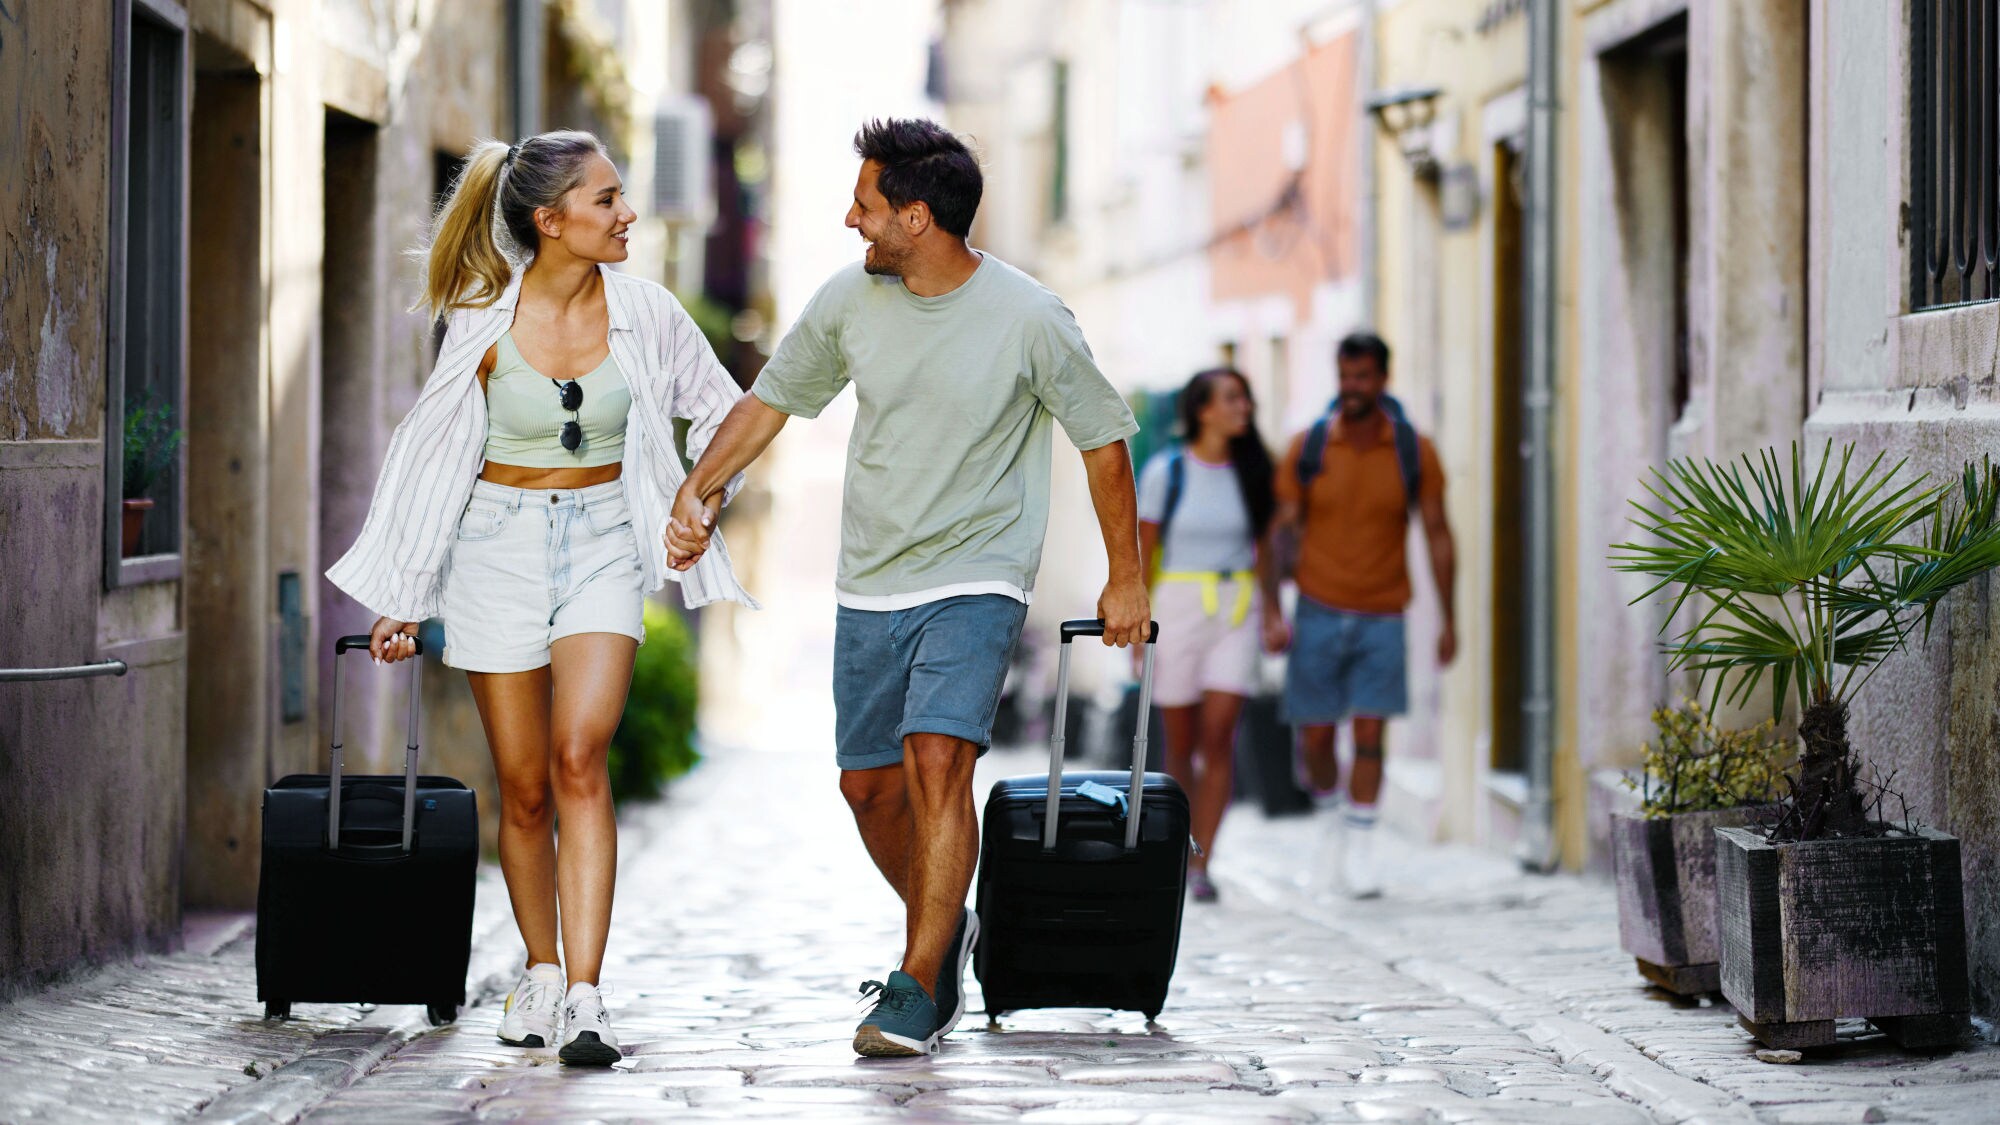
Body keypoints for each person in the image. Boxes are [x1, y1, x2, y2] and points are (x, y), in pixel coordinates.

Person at [663, 118, 1149, 1058]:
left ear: (917, 218)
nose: (852, 220)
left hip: (979, 572)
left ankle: (920, 980)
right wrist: (701, 487)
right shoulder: (851, 301)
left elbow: (1102, 439)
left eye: (868, 205)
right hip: (872, 577)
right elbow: (771, 399)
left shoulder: (1031, 316)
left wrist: (1127, 577)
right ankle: (950, 926)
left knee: (938, 760)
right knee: (867, 787)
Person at [325, 130, 754, 1066]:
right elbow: (433, 458)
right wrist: (402, 593)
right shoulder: (481, 320)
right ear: (549, 220)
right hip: (493, 548)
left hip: (603, 537)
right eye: (606, 200)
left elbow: (727, 411)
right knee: (521, 791)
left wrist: (700, 497)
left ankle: (590, 999)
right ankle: (542, 970)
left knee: (578, 754)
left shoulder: (647, 312)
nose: (627, 212)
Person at [1272, 332, 1455, 899]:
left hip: (1384, 612)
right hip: (1318, 607)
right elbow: (1279, 532)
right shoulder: (1308, 447)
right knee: (1317, 741)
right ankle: (1331, 821)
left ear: (1383, 379)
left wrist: (1450, 618)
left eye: (1363, 377)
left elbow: (1438, 533)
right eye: (1346, 376)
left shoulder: (1412, 449)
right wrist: (1270, 611)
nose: (1353, 387)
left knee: (1372, 734)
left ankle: (1361, 847)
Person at [1135, 369, 1287, 903]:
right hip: (1176, 606)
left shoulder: (1255, 471)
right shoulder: (1166, 471)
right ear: (1203, 410)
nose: (1243, 406)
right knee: (1181, 745)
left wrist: (1272, 612)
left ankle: (1203, 864)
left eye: (1245, 397)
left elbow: (1266, 549)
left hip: (1236, 608)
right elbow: (1144, 551)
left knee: (1219, 738)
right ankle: (1180, 848)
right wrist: (1137, 625)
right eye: (1231, 398)